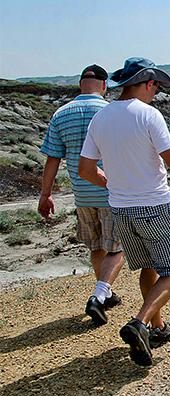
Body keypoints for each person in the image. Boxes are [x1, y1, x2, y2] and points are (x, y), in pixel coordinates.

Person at [79, 57, 170, 366]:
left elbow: (86, 169)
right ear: (146, 84)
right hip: (154, 206)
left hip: (121, 209)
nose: (155, 91)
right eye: (154, 85)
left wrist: (112, 184)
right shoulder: (149, 115)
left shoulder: (101, 118)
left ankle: (157, 327)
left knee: (148, 267)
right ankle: (140, 322)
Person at [38, 64, 125, 327]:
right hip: (112, 190)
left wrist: (45, 194)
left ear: (80, 85)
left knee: (97, 246)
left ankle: (105, 293)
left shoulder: (61, 114)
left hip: (82, 195)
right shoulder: (109, 111)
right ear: (104, 85)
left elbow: (53, 158)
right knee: (118, 248)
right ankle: (99, 296)